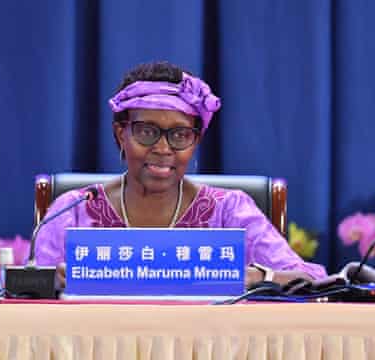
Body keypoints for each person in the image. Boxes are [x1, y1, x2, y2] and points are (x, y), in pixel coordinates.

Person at [35, 61, 327, 286]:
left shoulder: (230, 211)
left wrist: (256, 277)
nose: (163, 148)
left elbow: (308, 280)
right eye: (147, 132)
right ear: (120, 134)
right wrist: (55, 282)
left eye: (180, 134)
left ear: (195, 141)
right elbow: (28, 294)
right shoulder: (72, 210)